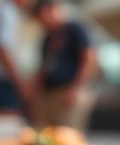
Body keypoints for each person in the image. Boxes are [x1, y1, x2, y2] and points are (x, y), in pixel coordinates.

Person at [32, 0, 98, 130]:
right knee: (46, 134)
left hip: (69, 91)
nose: (42, 23)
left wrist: (75, 89)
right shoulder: (48, 38)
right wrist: (36, 98)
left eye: (42, 18)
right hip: (50, 93)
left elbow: (89, 60)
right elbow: (43, 69)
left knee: (67, 135)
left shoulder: (74, 29)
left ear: (51, 10)